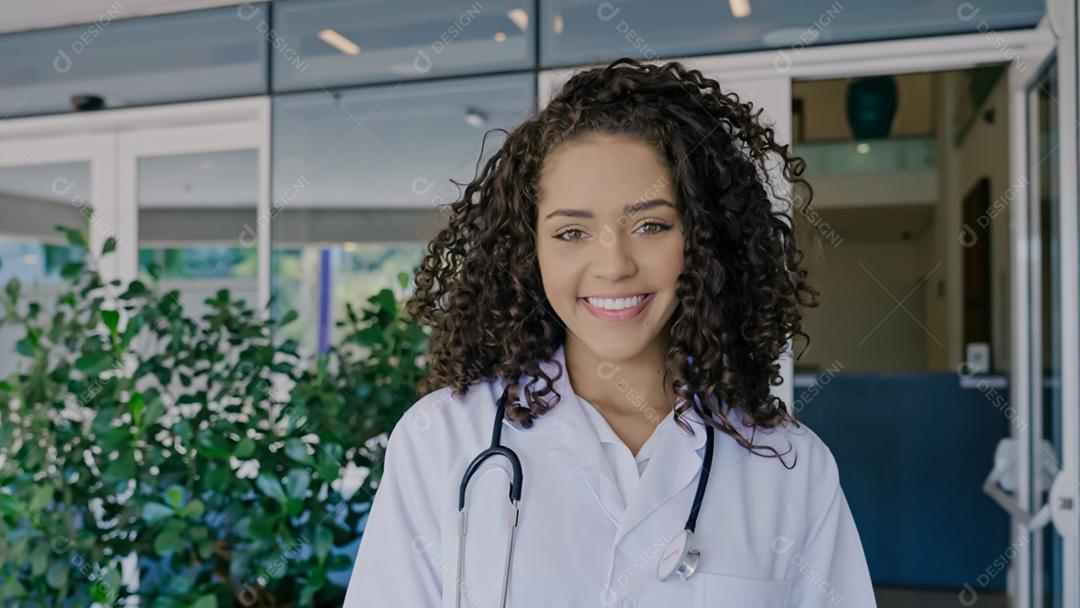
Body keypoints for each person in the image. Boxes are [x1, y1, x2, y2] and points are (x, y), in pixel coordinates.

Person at [342, 57, 875, 607]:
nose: (613, 264)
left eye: (650, 225)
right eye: (572, 231)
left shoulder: (788, 465)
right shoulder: (441, 442)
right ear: (530, 250)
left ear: (704, 238)